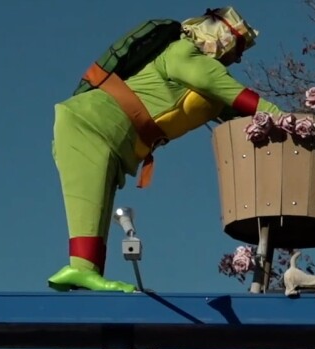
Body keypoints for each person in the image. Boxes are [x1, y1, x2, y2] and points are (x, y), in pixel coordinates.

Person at [47, 7, 284, 293]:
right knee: (89, 202)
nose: (240, 56)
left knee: (95, 203)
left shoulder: (209, 90)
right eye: (240, 45)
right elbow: (239, 97)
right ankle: (82, 269)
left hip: (111, 137)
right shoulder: (183, 54)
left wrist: (278, 127)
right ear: (224, 37)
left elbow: (241, 113)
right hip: (91, 122)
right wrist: (292, 120)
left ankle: (85, 272)